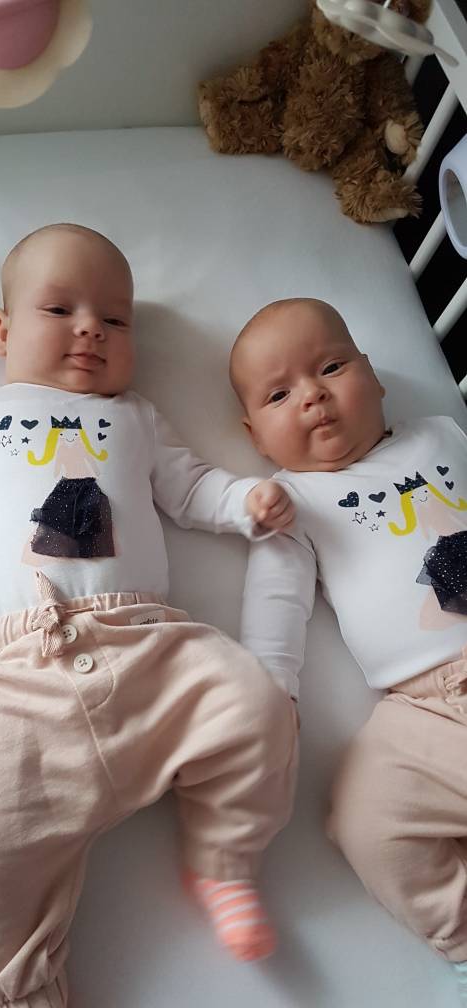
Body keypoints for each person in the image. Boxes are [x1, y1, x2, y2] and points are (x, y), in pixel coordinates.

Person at [0, 224, 299, 1008]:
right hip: (18, 671)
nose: (91, 329)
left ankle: (222, 860)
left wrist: (245, 503)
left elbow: (191, 488)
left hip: (151, 643)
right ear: (2, 331)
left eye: (115, 320)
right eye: (60, 309)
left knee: (255, 705)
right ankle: (23, 982)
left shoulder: (137, 417)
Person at [230, 296, 467, 1005]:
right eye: (279, 395)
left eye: (331, 367)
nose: (312, 395)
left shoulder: (442, 435)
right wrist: (271, 692)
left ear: (376, 376)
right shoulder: (291, 502)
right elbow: (277, 604)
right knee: (365, 819)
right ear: (255, 436)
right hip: (420, 709)